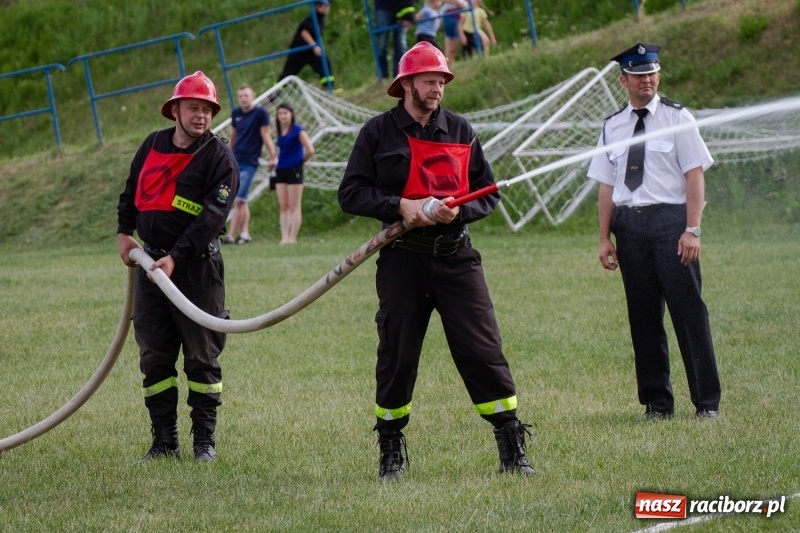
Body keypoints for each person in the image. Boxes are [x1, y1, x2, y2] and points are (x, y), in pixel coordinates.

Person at [338, 41, 537, 480]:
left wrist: (457, 212)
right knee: (397, 353)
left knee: (483, 350)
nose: (437, 89)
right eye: (429, 81)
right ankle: (391, 451)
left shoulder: (461, 130)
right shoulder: (377, 132)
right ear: (407, 84)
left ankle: (511, 448)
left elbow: (487, 194)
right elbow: (350, 193)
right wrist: (400, 205)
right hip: (403, 261)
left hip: (456, 258)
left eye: (442, 81)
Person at [587, 43, 722, 421]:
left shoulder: (678, 118)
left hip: (671, 225)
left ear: (658, 75)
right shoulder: (613, 126)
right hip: (630, 228)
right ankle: (657, 404)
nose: (645, 80)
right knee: (643, 318)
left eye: (651, 73)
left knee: (689, 313)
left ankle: (707, 403)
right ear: (623, 81)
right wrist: (604, 238)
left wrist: (692, 229)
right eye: (637, 75)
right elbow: (607, 186)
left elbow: (694, 176)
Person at [117, 71, 239, 462]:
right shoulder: (152, 144)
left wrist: (177, 256)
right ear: (175, 110)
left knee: (202, 357)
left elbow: (212, 218)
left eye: (207, 110)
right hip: (151, 266)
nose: (201, 116)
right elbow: (131, 190)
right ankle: (164, 442)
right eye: (193, 108)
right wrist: (124, 232)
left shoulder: (218, 157)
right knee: (154, 356)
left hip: (196, 269)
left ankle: (204, 442)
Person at [224, 84, 277, 245]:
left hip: (250, 162)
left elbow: (266, 136)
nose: (243, 99)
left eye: (246, 95)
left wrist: (273, 156)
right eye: (240, 96)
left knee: (239, 200)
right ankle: (245, 234)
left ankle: (230, 235)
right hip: (236, 160)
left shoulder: (260, 113)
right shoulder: (236, 113)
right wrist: (228, 155)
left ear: (253, 96)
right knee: (241, 200)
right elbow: (233, 136)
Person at [274, 103, 315, 244]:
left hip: (294, 170)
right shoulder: (280, 131)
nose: (283, 116)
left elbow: (310, 150)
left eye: (285, 113)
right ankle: (284, 237)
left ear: (291, 114)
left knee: (294, 205)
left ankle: (292, 237)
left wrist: (300, 162)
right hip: (281, 170)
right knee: (284, 206)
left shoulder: (298, 130)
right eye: (280, 113)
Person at [278, 0, 335, 90]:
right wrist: (314, 46)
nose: (327, 8)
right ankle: (272, 96)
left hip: (309, 51)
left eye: (328, 5)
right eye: (325, 5)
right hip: (299, 50)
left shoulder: (321, 19)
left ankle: (328, 88)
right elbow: (304, 32)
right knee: (287, 75)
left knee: (324, 63)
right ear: (317, 6)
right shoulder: (312, 18)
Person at [373, 0, 416, 82]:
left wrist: (409, 15)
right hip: (382, 7)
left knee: (401, 43)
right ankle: (382, 76)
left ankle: (400, 73)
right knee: (381, 45)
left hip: (402, 7)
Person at [440, 0, 467, 64]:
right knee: (450, 47)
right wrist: (457, 3)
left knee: (453, 49)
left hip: (458, 17)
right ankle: (446, 65)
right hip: (451, 16)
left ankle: (448, 65)